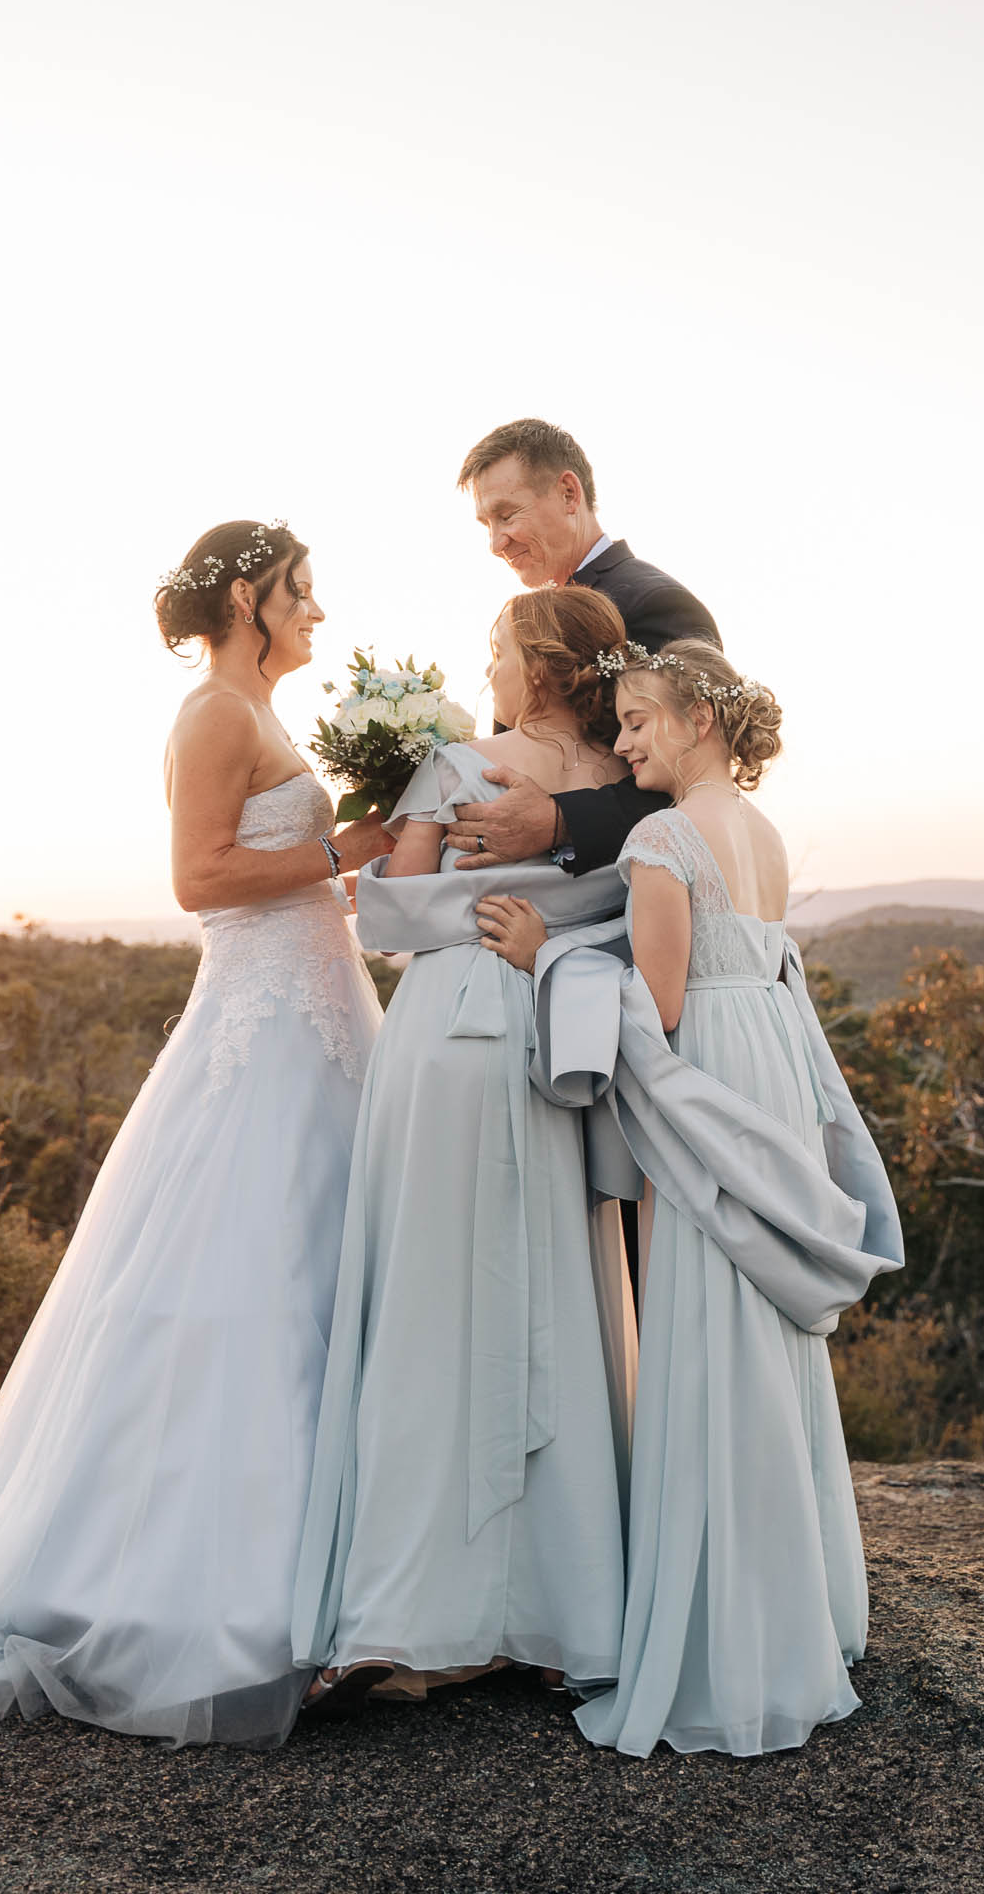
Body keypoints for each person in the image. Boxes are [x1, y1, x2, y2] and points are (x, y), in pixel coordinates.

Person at [0, 520, 391, 1749]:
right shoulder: (213, 712)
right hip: (257, 1031)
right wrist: (338, 851)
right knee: (244, 1276)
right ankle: (201, 1588)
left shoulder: (260, 713)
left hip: (318, 1013)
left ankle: (337, 1572)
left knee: (324, 1275)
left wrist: (364, 869)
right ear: (250, 599)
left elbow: (291, 870)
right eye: (303, 591)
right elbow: (199, 880)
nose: (319, 610)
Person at [477, 638, 904, 1757]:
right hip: (766, 1073)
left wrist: (542, 958)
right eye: (617, 722)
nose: (622, 744)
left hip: (709, 1078)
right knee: (763, 1343)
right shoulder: (760, 834)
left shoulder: (664, 838)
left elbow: (655, 1003)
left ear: (700, 721)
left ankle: (724, 1644)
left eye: (637, 719)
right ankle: (795, 1617)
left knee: (710, 1337)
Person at [292, 587, 638, 1712]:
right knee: (546, 1296)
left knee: (434, 1305)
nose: (483, 668)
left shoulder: (454, 763)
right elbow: (628, 907)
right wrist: (548, 907)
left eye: (495, 648)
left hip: (446, 1038)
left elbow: (388, 913)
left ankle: (415, 1617)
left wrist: (446, 890)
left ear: (536, 664)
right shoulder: (629, 793)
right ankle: (559, 1610)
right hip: (553, 1028)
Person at [449, 417, 722, 877]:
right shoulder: (523, 622)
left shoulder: (654, 603)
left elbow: (696, 767)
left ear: (569, 494)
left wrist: (561, 820)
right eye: (486, 523)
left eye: (507, 514)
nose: (496, 542)